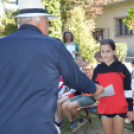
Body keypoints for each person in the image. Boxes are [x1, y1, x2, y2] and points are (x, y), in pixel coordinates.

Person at [0, 0, 104, 134]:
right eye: (48, 22)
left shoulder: (2, 44)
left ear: (19, 22)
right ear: (42, 21)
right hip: (38, 127)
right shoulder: (52, 45)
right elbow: (73, 77)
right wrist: (94, 88)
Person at [92, 39, 133, 134]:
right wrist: (96, 95)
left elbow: (128, 91)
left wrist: (130, 109)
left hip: (120, 108)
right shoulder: (98, 69)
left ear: (114, 51)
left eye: (108, 51)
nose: (105, 54)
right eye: (102, 51)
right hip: (105, 108)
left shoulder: (122, 68)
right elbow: (94, 89)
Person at [62, 62, 95, 130]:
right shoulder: (82, 77)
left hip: (91, 97)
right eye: (84, 69)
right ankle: (72, 122)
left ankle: (80, 119)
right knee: (64, 105)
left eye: (88, 69)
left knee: (71, 106)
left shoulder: (95, 77)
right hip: (82, 96)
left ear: (92, 69)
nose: (86, 71)